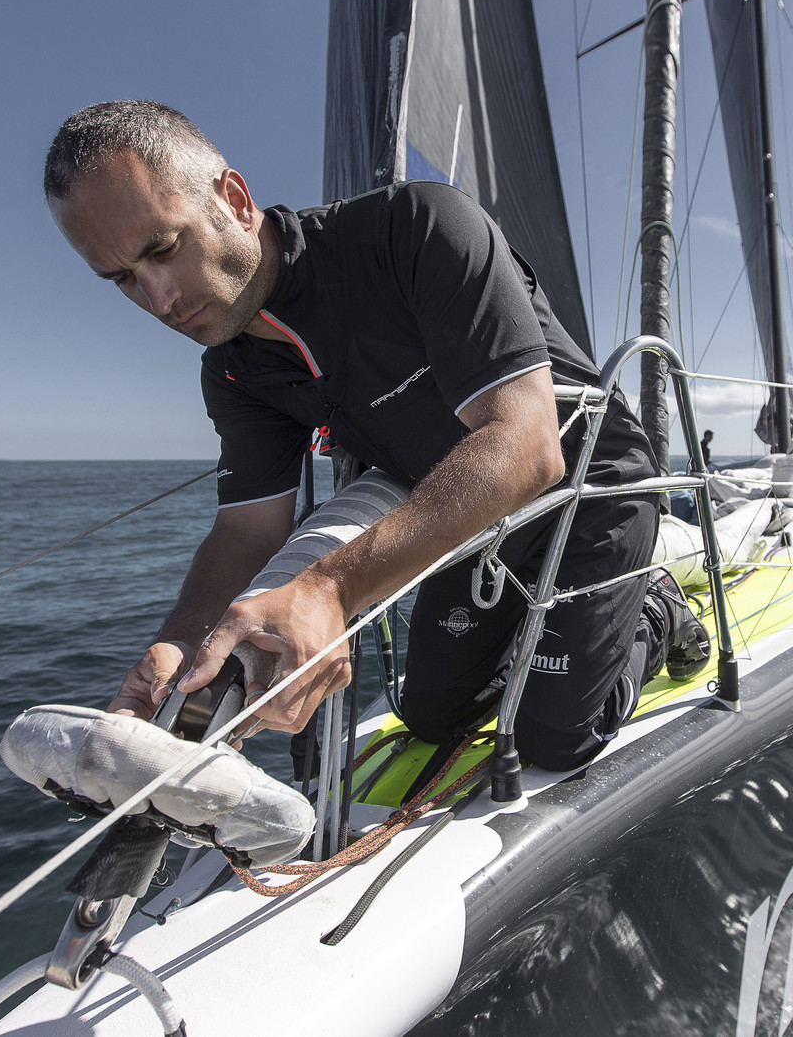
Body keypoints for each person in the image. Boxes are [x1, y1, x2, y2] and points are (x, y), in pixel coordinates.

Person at [43, 101, 709, 773]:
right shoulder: (234, 369)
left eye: (162, 248)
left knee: (551, 742)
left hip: (589, 490)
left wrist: (326, 590)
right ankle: (549, 642)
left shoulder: (413, 228)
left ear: (235, 200)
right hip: (474, 526)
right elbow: (248, 531)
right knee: (432, 717)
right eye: (123, 279)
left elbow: (528, 443)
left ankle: (653, 611)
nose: (158, 300)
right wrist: (180, 649)